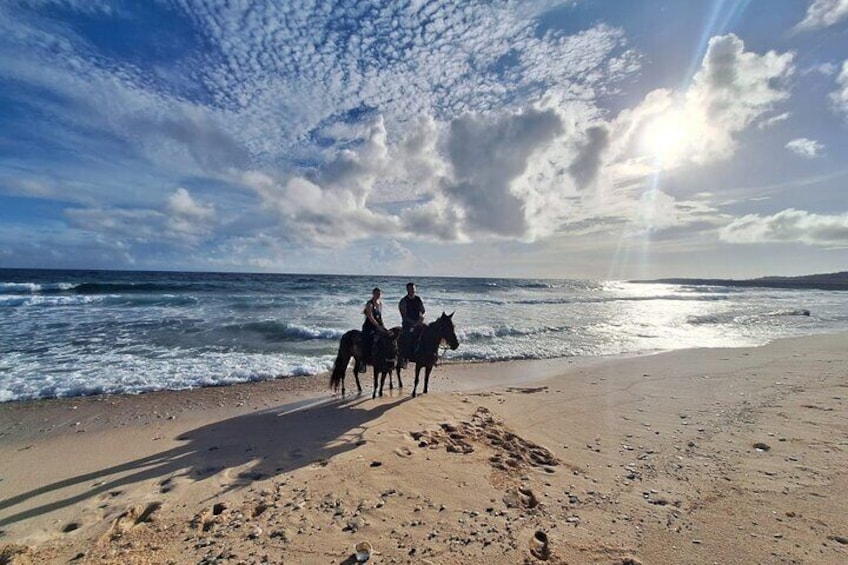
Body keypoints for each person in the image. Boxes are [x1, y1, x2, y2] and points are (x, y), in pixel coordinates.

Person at [398, 282, 425, 366]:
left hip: (418, 322)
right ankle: (405, 357)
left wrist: (421, 317)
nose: (412, 290)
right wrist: (414, 323)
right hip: (408, 323)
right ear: (407, 290)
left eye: (413, 289)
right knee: (408, 336)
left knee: (429, 333)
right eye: (410, 289)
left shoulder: (418, 299)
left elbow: (423, 310)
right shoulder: (403, 301)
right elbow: (404, 316)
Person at [361, 287, 387, 368]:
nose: (378, 295)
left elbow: (380, 317)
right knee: (368, 339)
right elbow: (370, 317)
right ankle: (363, 361)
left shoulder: (380, 303)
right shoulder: (369, 304)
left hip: (378, 325)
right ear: (373, 294)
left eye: (379, 294)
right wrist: (378, 326)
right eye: (376, 293)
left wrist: (383, 327)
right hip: (369, 326)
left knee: (388, 337)